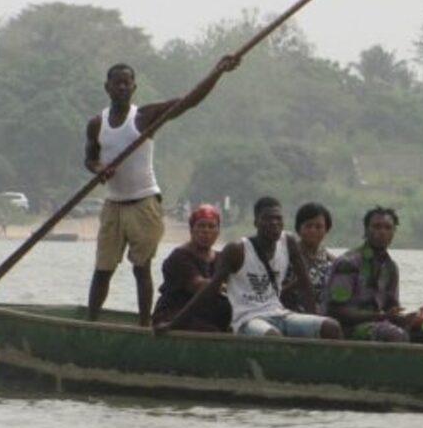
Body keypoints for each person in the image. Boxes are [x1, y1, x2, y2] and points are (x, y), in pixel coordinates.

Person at [84, 54, 239, 325]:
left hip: (144, 204)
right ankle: (89, 324)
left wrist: (217, 71)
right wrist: (99, 170)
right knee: (103, 269)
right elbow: (90, 158)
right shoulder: (97, 123)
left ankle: (145, 326)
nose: (122, 88)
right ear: (106, 87)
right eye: (116, 83)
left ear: (134, 88)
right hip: (114, 204)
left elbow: (188, 101)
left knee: (141, 268)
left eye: (127, 84)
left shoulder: (145, 116)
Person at [156, 196, 341, 339]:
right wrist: (173, 324)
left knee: (331, 327)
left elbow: (305, 283)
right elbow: (209, 290)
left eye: (278, 219)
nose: (274, 224)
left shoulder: (288, 242)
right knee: (272, 337)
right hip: (248, 319)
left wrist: (314, 319)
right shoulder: (237, 250)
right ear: (256, 223)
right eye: (268, 219)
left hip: (278, 312)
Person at [325, 206, 423, 343]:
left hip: (381, 324)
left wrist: (407, 319)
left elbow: (391, 310)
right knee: (394, 335)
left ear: (394, 233)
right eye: (376, 227)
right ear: (366, 231)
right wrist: (381, 317)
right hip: (348, 328)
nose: (382, 232)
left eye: (388, 228)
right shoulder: (348, 263)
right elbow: (336, 311)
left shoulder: (390, 268)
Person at [150, 204, 231, 332]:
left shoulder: (220, 258)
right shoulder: (179, 257)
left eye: (211, 226)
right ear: (192, 229)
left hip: (206, 316)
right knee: (211, 330)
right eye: (201, 226)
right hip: (174, 315)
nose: (206, 231)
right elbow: (198, 285)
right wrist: (229, 288)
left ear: (218, 231)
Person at [284, 202, 335, 308]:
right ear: (299, 229)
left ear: (326, 230)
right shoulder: (286, 256)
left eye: (318, 226)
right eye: (308, 226)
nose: (313, 230)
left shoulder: (331, 261)